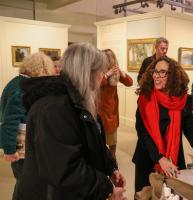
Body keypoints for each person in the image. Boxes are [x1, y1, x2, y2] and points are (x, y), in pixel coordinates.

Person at [19, 43, 126, 200]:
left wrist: (110, 167)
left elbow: (92, 141)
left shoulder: (78, 101)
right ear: (87, 73)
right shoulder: (53, 109)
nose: (101, 78)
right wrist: (106, 188)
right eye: (100, 72)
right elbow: (65, 170)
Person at [133, 56, 193, 193]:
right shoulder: (145, 99)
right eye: (155, 71)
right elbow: (143, 134)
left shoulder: (182, 100)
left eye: (162, 72)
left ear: (172, 76)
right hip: (148, 157)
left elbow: (190, 130)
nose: (157, 76)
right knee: (145, 195)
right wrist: (160, 158)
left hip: (173, 158)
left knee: (173, 194)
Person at [0, 52, 55, 200]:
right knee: (25, 184)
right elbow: (9, 121)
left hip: (20, 145)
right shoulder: (22, 88)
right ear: (41, 69)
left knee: (24, 182)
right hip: (21, 147)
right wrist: (9, 150)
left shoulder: (15, 82)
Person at [98, 49, 133, 159]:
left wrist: (122, 73)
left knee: (112, 139)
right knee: (99, 137)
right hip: (98, 109)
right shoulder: (98, 71)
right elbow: (96, 84)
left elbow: (130, 83)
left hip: (111, 110)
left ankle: (112, 159)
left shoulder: (115, 72)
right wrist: (107, 75)